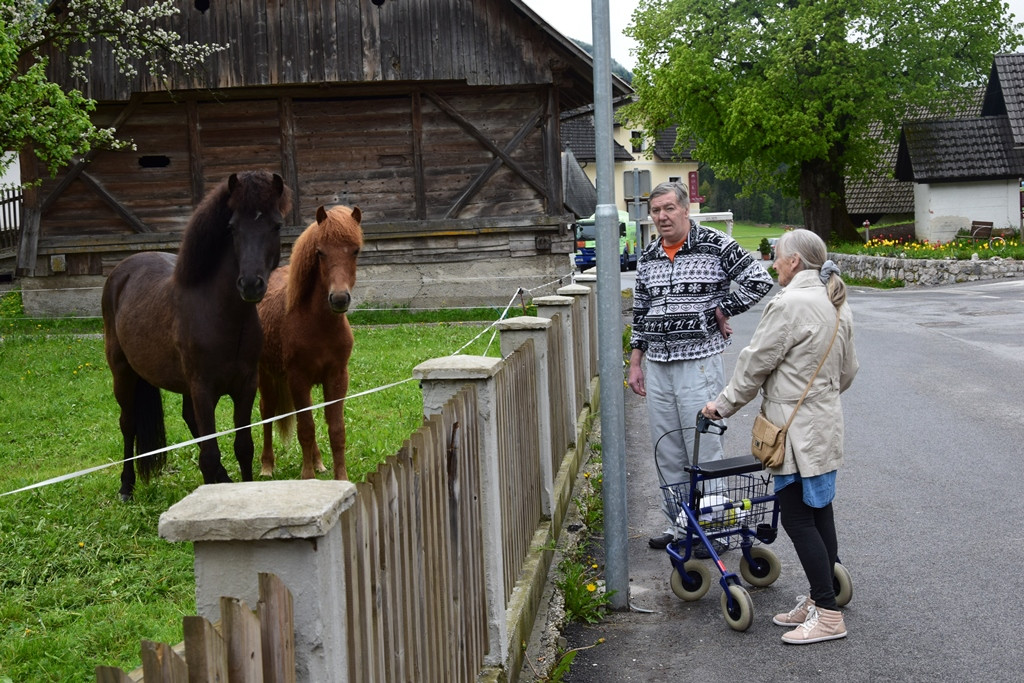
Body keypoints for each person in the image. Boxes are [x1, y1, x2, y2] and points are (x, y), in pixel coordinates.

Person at [702, 228, 859, 645]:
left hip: (792, 429)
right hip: (824, 422)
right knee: (819, 509)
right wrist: (818, 398)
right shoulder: (835, 299)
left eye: (777, 257)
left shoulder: (789, 304)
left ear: (794, 262)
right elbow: (848, 371)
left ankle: (827, 615)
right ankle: (820, 598)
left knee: (796, 516)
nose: (773, 264)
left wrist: (722, 405)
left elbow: (755, 364)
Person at [627, 181, 773, 552]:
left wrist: (722, 308)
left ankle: (712, 526)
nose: (661, 216)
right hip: (658, 365)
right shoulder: (648, 256)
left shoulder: (714, 245)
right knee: (667, 449)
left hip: (699, 364)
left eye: (668, 209)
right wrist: (635, 362)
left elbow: (759, 280)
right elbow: (640, 312)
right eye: (655, 210)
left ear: (684, 209)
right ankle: (679, 527)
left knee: (704, 447)